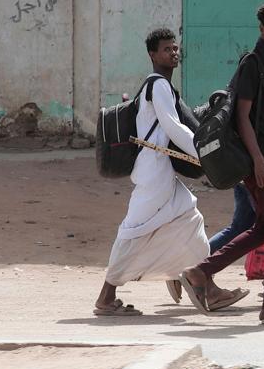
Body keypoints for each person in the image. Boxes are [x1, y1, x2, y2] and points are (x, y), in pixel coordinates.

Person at [180, 2, 264, 325]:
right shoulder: (253, 63)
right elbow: (242, 117)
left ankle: (201, 272)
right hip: (259, 158)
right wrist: (259, 162)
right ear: (262, 30)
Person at [95, 28, 227, 316]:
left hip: (159, 170)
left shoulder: (158, 86)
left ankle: (204, 282)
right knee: (133, 232)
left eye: (175, 48)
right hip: (153, 173)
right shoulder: (158, 86)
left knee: (190, 218)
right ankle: (106, 296)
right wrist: (203, 155)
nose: (173, 53)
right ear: (153, 55)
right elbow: (173, 127)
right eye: (167, 49)